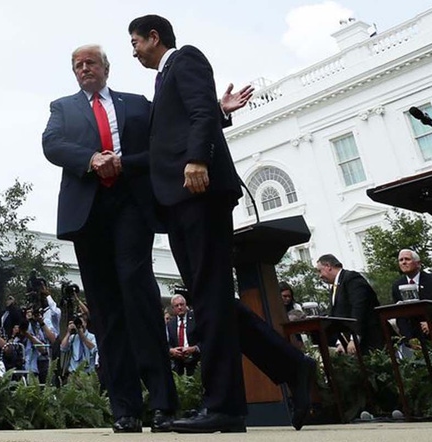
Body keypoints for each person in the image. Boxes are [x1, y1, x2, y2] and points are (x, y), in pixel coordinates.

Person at [128, 14, 315, 433]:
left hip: (199, 191)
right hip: (178, 199)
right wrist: (217, 113)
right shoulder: (164, 79)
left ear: (154, 37)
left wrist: (198, 157)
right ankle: (292, 365)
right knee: (210, 300)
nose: (134, 51)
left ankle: (224, 407)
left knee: (210, 298)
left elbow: (196, 113)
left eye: (136, 42)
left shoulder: (187, 59)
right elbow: (191, 119)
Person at [42, 43, 189, 433]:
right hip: (88, 214)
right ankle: (125, 409)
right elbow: (52, 144)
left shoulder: (137, 103)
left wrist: (220, 112)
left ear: (106, 67)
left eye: (90, 62)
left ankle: (163, 405)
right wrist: (91, 158)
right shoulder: (63, 108)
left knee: (140, 301)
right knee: (106, 313)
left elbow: (169, 128)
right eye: (77, 65)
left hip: (131, 207)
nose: (83, 68)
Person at [315, 254, 383, 355]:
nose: (319, 276)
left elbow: (359, 308)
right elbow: (338, 317)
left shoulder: (351, 278)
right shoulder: (335, 287)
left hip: (371, 341)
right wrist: (341, 342)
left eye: (319, 271)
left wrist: (354, 338)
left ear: (328, 266)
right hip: (353, 345)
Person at [391, 249, 432, 339]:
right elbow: (400, 316)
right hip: (415, 341)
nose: (404, 262)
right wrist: (409, 339)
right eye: (401, 260)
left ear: (418, 263)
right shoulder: (397, 286)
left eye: (407, 259)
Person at [166, 294, 199, 376]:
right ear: (173, 309)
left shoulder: (196, 319)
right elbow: (167, 343)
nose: (180, 307)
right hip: (178, 365)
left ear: (186, 305)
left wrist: (194, 348)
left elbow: (205, 339)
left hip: (196, 362)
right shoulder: (171, 324)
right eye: (176, 305)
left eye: (181, 304)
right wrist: (172, 351)